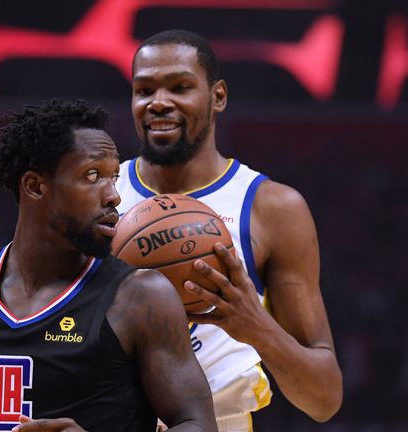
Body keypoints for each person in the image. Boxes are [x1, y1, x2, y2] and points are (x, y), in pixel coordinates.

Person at [0, 99, 217, 432]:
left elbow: (198, 425)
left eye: (114, 176)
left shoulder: (140, 296)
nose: (113, 195)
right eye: (92, 176)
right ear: (35, 186)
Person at [116, 30, 343, 431]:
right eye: (144, 89)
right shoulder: (98, 198)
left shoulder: (272, 208)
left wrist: (254, 324)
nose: (159, 102)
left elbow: (324, 399)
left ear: (218, 96)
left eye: (180, 87)